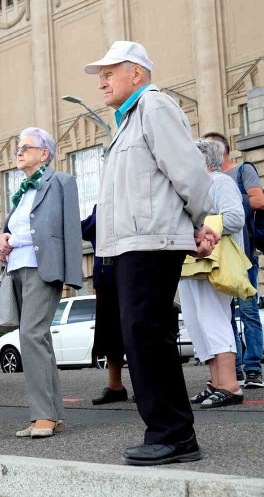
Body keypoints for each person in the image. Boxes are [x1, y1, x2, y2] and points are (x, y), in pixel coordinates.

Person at [84, 40, 216, 465]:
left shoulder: (154, 108)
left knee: (148, 335)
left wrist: (201, 223)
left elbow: (190, 172)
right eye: (100, 73)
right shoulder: (127, 121)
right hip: (131, 246)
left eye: (110, 71)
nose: (101, 80)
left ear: (136, 74)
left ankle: (174, 435)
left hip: (152, 242)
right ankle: (166, 430)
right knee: (140, 337)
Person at [0, 126, 82, 439]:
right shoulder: (20, 191)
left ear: (44, 153)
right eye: (18, 148)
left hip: (42, 267)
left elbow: (71, 229)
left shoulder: (61, 181)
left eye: (26, 147)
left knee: (32, 335)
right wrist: (4, 237)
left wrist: (72, 274)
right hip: (18, 268)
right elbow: (14, 227)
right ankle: (52, 414)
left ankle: (43, 414)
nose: (19, 152)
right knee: (38, 338)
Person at [179, 139, 245, 408]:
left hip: (213, 262)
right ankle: (216, 383)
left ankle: (230, 385)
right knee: (197, 323)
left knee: (214, 319)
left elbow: (234, 218)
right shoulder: (196, 187)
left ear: (205, 159)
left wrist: (199, 228)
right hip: (192, 264)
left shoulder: (220, 182)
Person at [202, 131, 264, 389]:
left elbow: (258, 200)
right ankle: (233, 368)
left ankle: (252, 369)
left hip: (242, 253)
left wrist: (230, 205)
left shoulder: (240, 172)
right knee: (223, 315)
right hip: (216, 253)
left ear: (220, 150)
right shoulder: (204, 181)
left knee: (248, 311)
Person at [81, 206, 128, 405]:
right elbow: (84, 229)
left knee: (135, 332)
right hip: (106, 276)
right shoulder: (102, 208)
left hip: (130, 273)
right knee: (109, 334)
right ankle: (115, 385)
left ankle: (145, 385)